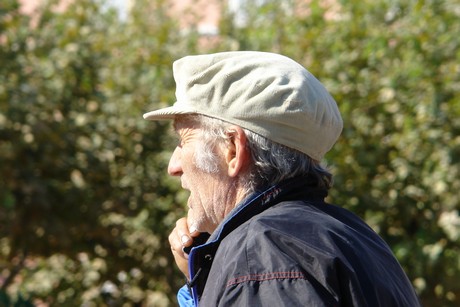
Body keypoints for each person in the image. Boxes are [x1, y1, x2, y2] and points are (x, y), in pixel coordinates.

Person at [143, 51, 420, 306]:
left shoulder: (261, 258)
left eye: (183, 141)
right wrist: (203, 281)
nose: (173, 166)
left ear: (232, 150)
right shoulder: (352, 234)